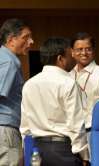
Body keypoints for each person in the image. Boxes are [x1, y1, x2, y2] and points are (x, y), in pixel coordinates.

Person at [20, 37, 89, 166]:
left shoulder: (29, 84)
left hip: (36, 150)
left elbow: (24, 127)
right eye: (70, 55)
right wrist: (84, 155)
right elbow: (76, 124)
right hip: (63, 151)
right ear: (60, 59)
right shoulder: (68, 83)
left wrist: (28, 153)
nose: (73, 58)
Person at [70, 32, 99, 154]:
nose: (84, 53)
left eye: (88, 49)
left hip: (95, 131)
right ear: (72, 52)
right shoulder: (68, 76)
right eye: (79, 49)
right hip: (74, 133)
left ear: (93, 51)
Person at [0, 18, 33, 166]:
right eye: (25, 37)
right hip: (5, 129)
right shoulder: (9, 62)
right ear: (11, 40)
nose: (31, 41)